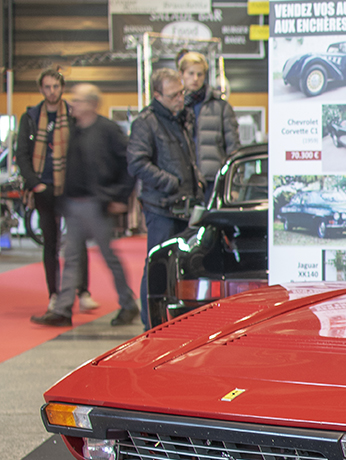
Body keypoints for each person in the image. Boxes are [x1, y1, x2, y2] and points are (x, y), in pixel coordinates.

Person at [31, 85, 139, 328]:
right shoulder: (73, 130)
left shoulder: (108, 130)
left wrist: (120, 196)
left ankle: (128, 303)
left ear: (91, 104)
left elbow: (128, 164)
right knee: (71, 257)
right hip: (73, 204)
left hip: (97, 204)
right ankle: (63, 309)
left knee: (108, 256)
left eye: (78, 101)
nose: (73, 105)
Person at [14, 67, 97, 313]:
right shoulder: (30, 117)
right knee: (50, 242)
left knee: (77, 241)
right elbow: (22, 154)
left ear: (62, 88)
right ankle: (54, 293)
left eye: (56, 86)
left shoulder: (73, 115)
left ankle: (83, 291)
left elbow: (83, 149)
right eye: (47, 87)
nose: (52, 91)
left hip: (70, 189)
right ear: (41, 89)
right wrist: (35, 184)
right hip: (43, 188)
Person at [127, 67, 203, 329]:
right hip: (162, 206)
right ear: (156, 94)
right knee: (157, 267)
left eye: (181, 93)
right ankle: (150, 324)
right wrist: (170, 182)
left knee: (180, 267)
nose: (180, 98)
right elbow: (136, 163)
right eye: (173, 95)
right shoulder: (145, 122)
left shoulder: (180, 118)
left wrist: (196, 182)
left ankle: (173, 322)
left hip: (185, 205)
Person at [177, 51, 240, 200]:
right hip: (183, 181)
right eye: (191, 73)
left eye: (200, 74)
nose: (195, 79)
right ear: (181, 74)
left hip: (213, 180)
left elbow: (233, 148)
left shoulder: (220, 106)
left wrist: (235, 185)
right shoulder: (176, 108)